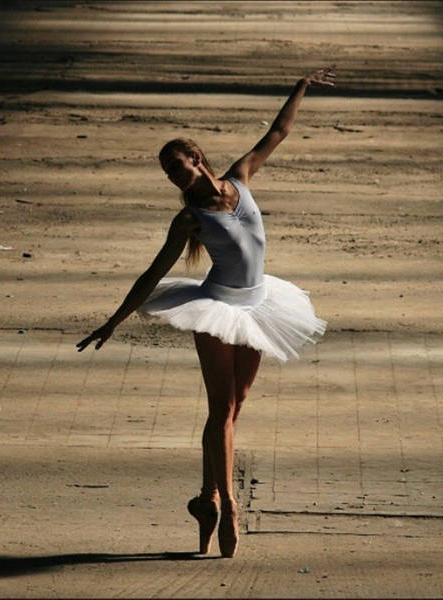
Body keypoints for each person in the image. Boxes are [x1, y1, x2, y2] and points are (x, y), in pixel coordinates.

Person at [76, 66, 335, 558]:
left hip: (261, 305)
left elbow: (277, 132)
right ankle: (230, 506)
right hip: (218, 310)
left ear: (196, 158)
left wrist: (300, 85)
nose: (174, 175)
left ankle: (206, 496)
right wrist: (113, 321)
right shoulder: (189, 219)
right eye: (168, 172)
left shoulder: (241, 177)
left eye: (177, 164)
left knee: (233, 409)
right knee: (221, 411)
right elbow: (151, 275)